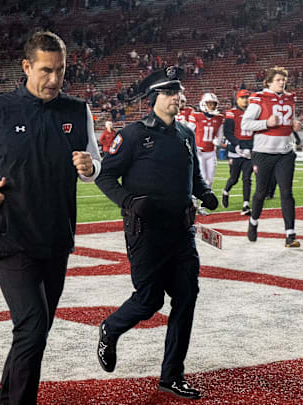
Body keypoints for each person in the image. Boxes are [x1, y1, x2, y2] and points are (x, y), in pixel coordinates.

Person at [0, 31, 100, 405]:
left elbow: (94, 163)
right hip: (10, 235)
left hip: (56, 235)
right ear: (26, 67)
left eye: (61, 71)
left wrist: (90, 167)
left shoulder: (77, 110)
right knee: (33, 325)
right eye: (46, 70)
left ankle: (3, 398)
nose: (54, 79)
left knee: (34, 330)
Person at [94, 67, 217, 401]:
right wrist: (130, 202)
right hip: (145, 232)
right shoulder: (133, 135)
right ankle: (111, 328)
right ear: (155, 99)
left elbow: (194, 177)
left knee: (186, 297)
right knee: (149, 300)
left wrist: (204, 193)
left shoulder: (186, 134)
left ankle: (172, 376)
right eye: (171, 93)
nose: (178, 97)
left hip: (182, 232)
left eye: (178, 92)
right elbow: (105, 177)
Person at [241, 66, 303, 247]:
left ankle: (290, 235)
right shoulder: (259, 98)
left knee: (286, 192)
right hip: (263, 153)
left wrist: (294, 124)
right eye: (278, 80)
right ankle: (253, 222)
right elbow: (246, 123)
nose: (282, 83)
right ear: (268, 82)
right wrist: (265, 123)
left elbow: (288, 120)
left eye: (283, 79)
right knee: (261, 192)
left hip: (285, 153)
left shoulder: (290, 98)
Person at [188, 92, 223, 215]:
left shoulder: (219, 118)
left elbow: (219, 136)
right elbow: (188, 132)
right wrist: (193, 146)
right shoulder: (196, 116)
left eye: (213, 104)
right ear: (203, 104)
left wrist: (218, 141)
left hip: (211, 152)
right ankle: (194, 203)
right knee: (200, 179)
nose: (211, 106)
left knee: (209, 180)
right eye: (209, 103)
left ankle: (203, 206)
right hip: (199, 153)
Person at [222, 89, 254, 215]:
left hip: (249, 149)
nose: (245, 100)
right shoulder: (231, 113)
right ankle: (226, 191)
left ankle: (246, 205)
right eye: (243, 97)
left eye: (247, 97)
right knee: (234, 178)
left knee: (247, 178)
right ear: (237, 99)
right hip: (236, 149)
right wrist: (237, 145)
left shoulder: (254, 113)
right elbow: (228, 132)